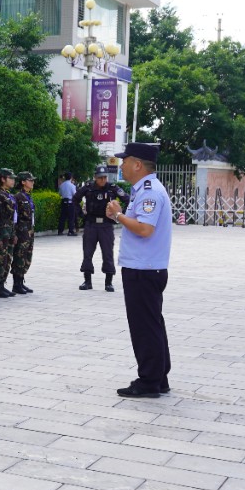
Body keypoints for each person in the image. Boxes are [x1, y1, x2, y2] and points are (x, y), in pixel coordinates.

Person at [107, 142, 173, 398]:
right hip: (145, 267)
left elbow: (145, 229)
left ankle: (149, 381)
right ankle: (159, 376)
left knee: (144, 326)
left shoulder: (149, 192)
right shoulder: (145, 189)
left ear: (137, 164)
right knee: (152, 322)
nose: (121, 165)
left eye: (125, 161)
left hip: (143, 269)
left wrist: (118, 215)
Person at [76, 164, 127, 292]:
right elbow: (75, 199)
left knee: (108, 253)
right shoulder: (88, 188)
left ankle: (108, 282)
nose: (103, 180)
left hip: (106, 225)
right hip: (91, 225)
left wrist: (120, 215)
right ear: (95, 177)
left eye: (105, 177)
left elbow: (127, 199)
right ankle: (87, 281)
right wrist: (81, 215)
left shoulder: (112, 188)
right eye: (100, 177)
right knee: (87, 253)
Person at [0, 168, 17, 298]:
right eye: (10, 178)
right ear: (2, 179)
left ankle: (2, 285)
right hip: (1, 231)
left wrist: (13, 233)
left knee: (7, 259)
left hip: (9, 231)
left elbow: (12, 217)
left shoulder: (7, 194)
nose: (13, 181)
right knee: (0, 260)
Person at [11, 171, 37, 294]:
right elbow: (15, 217)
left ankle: (21, 282)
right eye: (30, 180)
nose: (32, 182)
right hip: (21, 231)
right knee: (20, 256)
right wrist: (15, 233)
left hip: (29, 230)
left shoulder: (27, 196)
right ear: (23, 182)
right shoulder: (18, 197)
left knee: (27, 256)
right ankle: (16, 284)